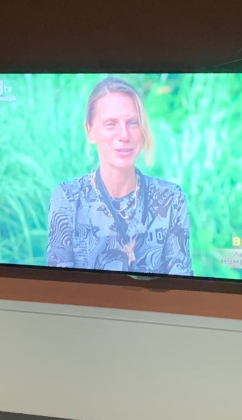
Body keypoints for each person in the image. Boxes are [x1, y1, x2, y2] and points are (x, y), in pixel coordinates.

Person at [46, 77, 192, 275]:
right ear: (90, 131)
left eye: (133, 123)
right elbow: (58, 286)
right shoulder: (67, 198)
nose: (124, 135)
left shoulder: (171, 198)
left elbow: (182, 283)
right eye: (110, 124)